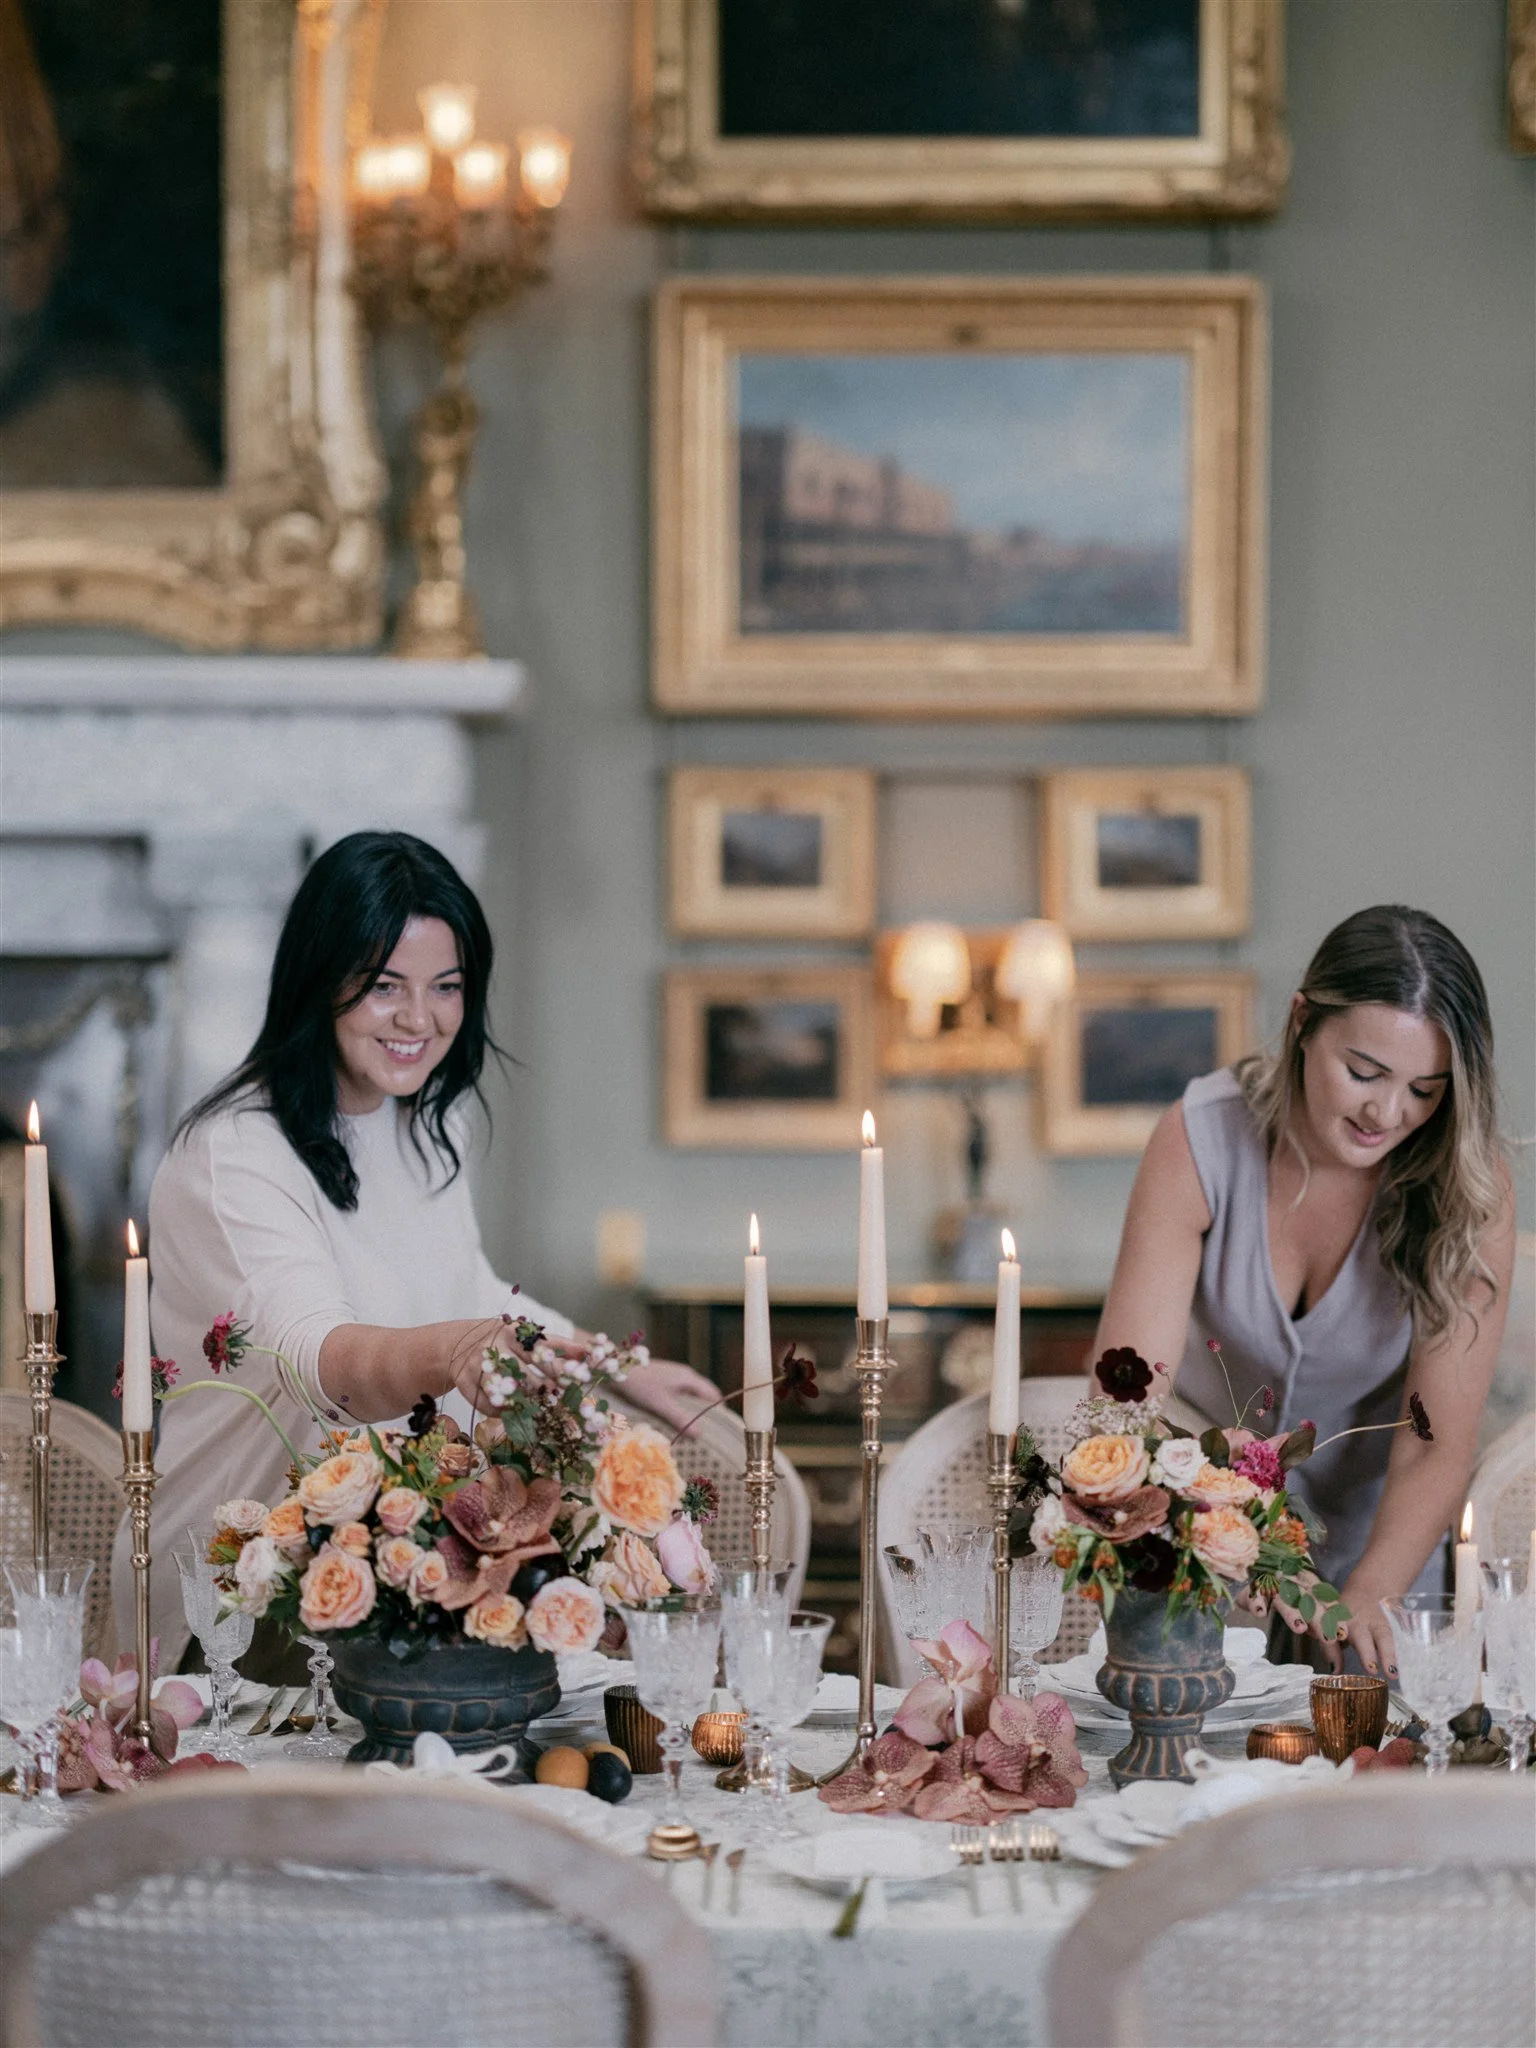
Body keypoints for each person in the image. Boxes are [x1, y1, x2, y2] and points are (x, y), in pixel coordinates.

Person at [112, 831, 716, 1662]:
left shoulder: (427, 1125)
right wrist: (454, 1350)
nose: (418, 1020)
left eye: (446, 988)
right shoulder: (234, 1153)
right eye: (383, 986)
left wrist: (614, 1365)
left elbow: (473, 1289)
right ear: (318, 980)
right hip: (235, 1596)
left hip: (385, 1566)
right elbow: (314, 1358)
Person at [1094, 905, 1516, 1679]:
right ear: (1301, 1024)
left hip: (1385, 1551)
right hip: (1203, 1546)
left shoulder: (1470, 1186)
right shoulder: (1198, 1138)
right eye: (1364, 1072)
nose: (1388, 1114)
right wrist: (1227, 1533)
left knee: (1368, 1780)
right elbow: (1127, 1401)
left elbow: (1436, 1439)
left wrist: (1367, 1594)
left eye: (1425, 1089)